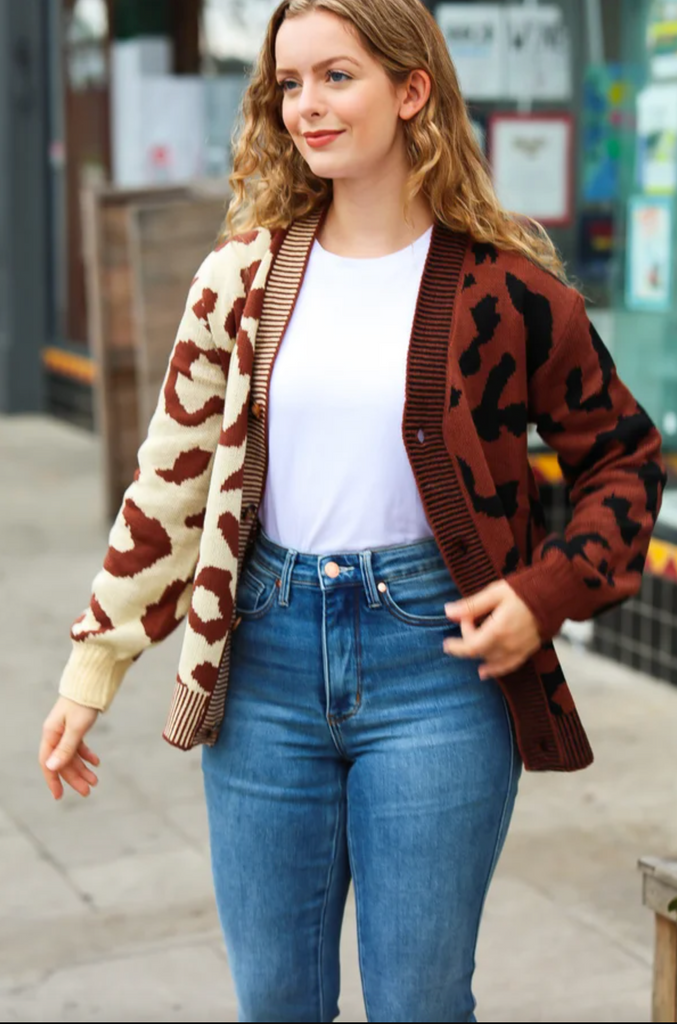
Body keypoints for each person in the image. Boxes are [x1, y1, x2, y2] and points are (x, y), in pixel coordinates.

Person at [39, 0, 667, 1020]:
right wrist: (92, 665)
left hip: (437, 668)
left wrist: (543, 592)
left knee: (418, 1000)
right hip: (265, 664)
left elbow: (624, 459)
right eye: (288, 83)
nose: (306, 107)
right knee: (276, 1000)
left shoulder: (506, 291)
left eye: (336, 77)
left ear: (410, 90)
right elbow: (171, 479)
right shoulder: (238, 280)